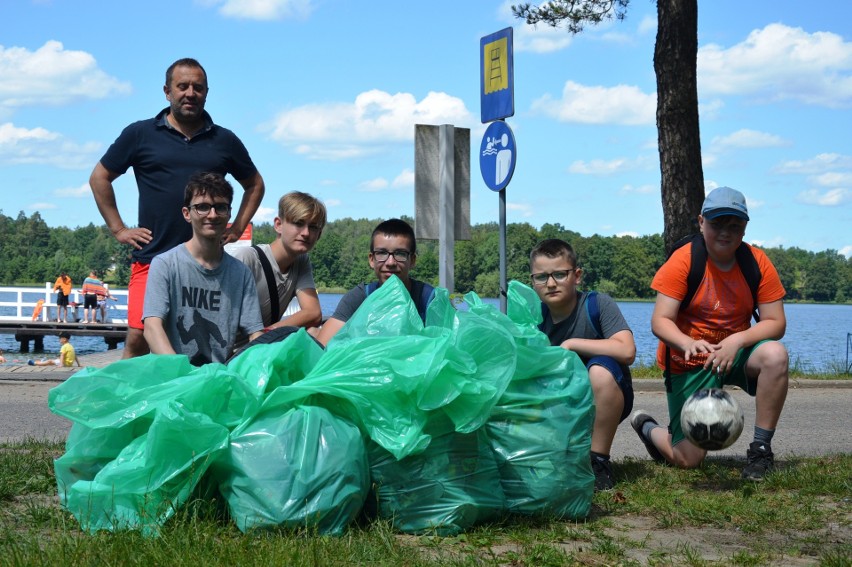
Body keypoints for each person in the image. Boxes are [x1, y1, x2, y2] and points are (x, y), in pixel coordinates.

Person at [89, 57, 265, 359]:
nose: (190, 93)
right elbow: (100, 177)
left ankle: (187, 393)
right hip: (153, 253)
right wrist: (118, 228)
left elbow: (255, 183)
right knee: (138, 335)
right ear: (167, 91)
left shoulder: (224, 140)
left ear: (207, 92)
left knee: (202, 337)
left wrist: (236, 226)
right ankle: (129, 403)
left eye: (198, 87)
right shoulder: (140, 134)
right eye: (182, 86)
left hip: (206, 264)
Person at [631, 186, 788, 481]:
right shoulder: (684, 260)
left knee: (775, 355)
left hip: (734, 353)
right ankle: (648, 427)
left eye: (735, 225)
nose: (725, 232)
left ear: (745, 227)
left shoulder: (757, 263)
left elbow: (776, 322)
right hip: (690, 359)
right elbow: (661, 320)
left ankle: (760, 451)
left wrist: (737, 340)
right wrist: (686, 342)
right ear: (701, 222)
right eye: (717, 223)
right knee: (688, 460)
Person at [529, 239, 636, 491]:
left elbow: (627, 350)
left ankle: (598, 462)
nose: (551, 283)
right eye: (542, 277)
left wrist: (571, 343)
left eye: (559, 274)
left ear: (576, 276)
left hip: (606, 396)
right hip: (559, 402)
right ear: (532, 282)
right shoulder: (532, 317)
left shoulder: (597, 304)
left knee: (599, 370)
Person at [143, 172, 264, 366]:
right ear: (186, 213)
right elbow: (152, 327)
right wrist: (182, 374)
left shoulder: (241, 274)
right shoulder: (165, 264)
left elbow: (255, 334)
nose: (212, 215)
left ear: (229, 213)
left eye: (220, 207)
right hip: (173, 379)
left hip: (216, 379)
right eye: (202, 207)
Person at [315, 218, 435, 346]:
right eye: (382, 253)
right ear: (372, 260)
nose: (390, 263)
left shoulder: (430, 300)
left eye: (400, 254)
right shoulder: (360, 297)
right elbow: (321, 346)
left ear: (413, 260)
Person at [230, 191, 326, 334]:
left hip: (262, 345)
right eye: (298, 223)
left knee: (316, 332)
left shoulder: (301, 261)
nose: (306, 233)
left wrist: (267, 333)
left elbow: (313, 313)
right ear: (278, 225)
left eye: (313, 227)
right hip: (233, 353)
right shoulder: (247, 258)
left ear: (319, 234)